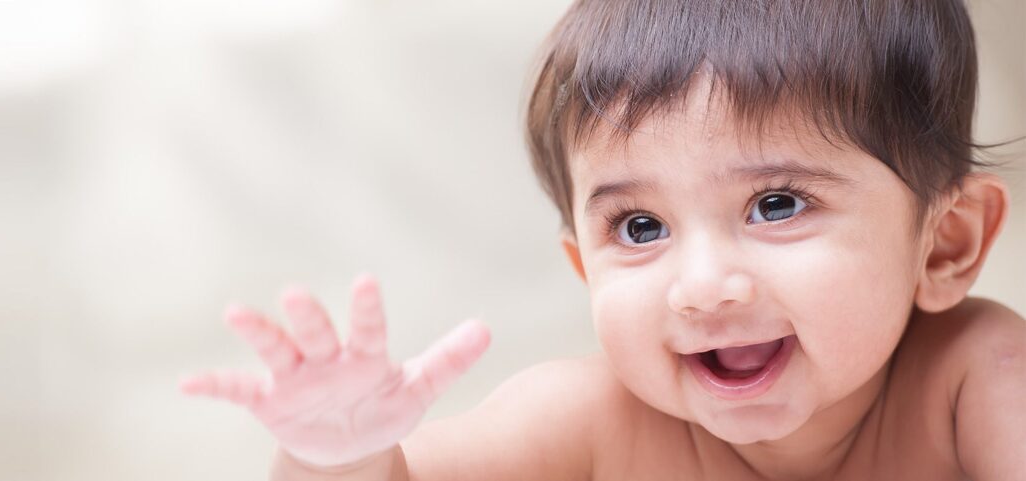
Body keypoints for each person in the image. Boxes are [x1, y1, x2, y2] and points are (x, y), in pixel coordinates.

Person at [180, 0, 1026, 479]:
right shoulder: (587, 422)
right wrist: (342, 451)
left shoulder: (974, 379)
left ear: (943, 244)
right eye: (641, 227)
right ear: (585, 269)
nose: (703, 284)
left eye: (776, 204)